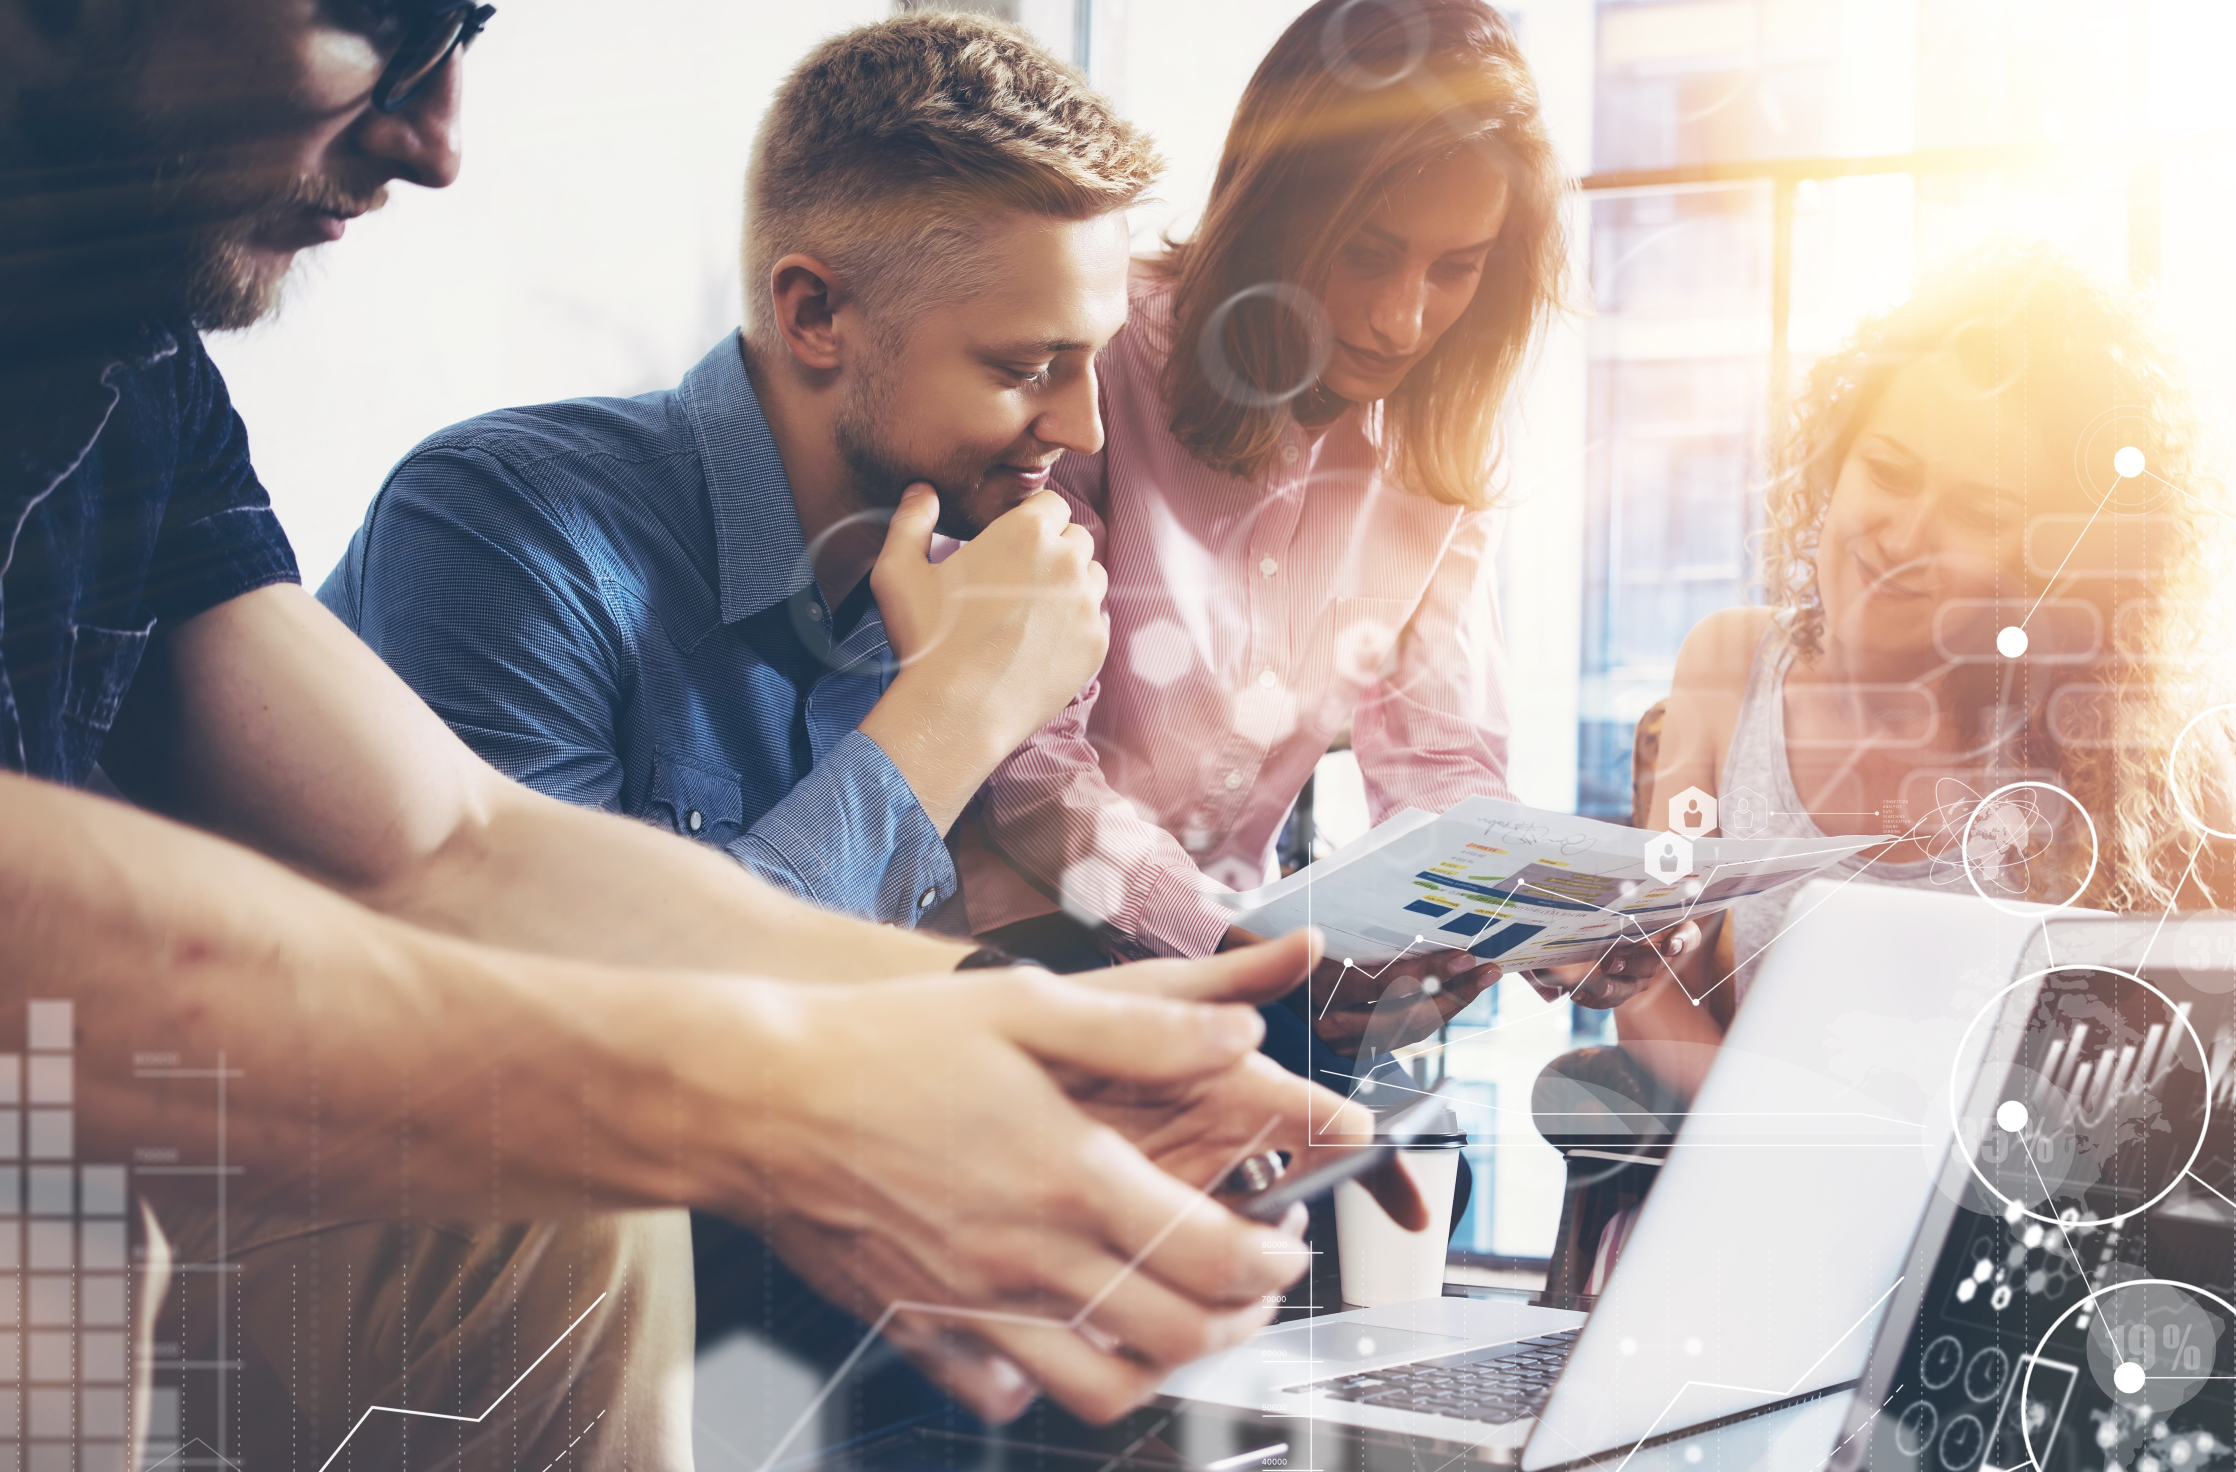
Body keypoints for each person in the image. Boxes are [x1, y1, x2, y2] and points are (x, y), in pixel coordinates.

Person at [0, 3, 1411, 1467]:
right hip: (183, 1193)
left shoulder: (130, 369)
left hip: (733, 1331)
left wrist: (1013, 1035)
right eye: (379, 18)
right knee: (555, 1210)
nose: (440, 141)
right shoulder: (513, 518)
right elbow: (495, 994)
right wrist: (940, 747)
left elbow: (453, 837)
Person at [312, 9, 1211, 1419]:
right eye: (1025, 366)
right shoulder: (502, 526)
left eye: (1090, 360)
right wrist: (958, 712)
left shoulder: (959, 568)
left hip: (777, 1336)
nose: (1087, 430)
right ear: (814, 315)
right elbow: (567, 1068)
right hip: (418, 1295)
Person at [955, 0, 1572, 1075]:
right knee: (1302, 1162)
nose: (1400, 318)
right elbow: (1027, 776)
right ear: (1279, 212)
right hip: (1014, 948)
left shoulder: (1432, 453)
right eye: (1366, 254)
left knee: (1401, 1170)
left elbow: (1438, 760)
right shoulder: (1095, 368)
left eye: (1455, 268)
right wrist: (1250, 948)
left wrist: (1517, 920)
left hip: (1232, 963)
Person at [1589, 248, 2236, 1102]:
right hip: (1754, 1177)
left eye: (1980, 512)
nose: (1900, 539)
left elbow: (2204, 1088)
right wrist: (1788, 1151)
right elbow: (1649, 981)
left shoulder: (2151, 764)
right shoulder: (1727, 666)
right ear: (1837, 460)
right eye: (1889, 473)